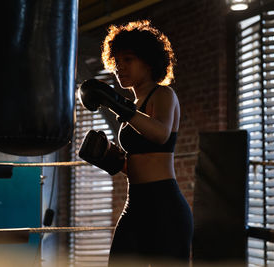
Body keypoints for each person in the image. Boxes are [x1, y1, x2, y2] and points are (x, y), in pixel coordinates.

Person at [78, 20, 193, 266]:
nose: (120, 67)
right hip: (136, 204)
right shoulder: (134, 107)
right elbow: (141, 160)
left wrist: (119, 106)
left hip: (165, 207)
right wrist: (111, 158)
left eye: (128, 59)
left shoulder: (163, 94)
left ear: (148, 61)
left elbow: (161, 134)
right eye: (117, 61)